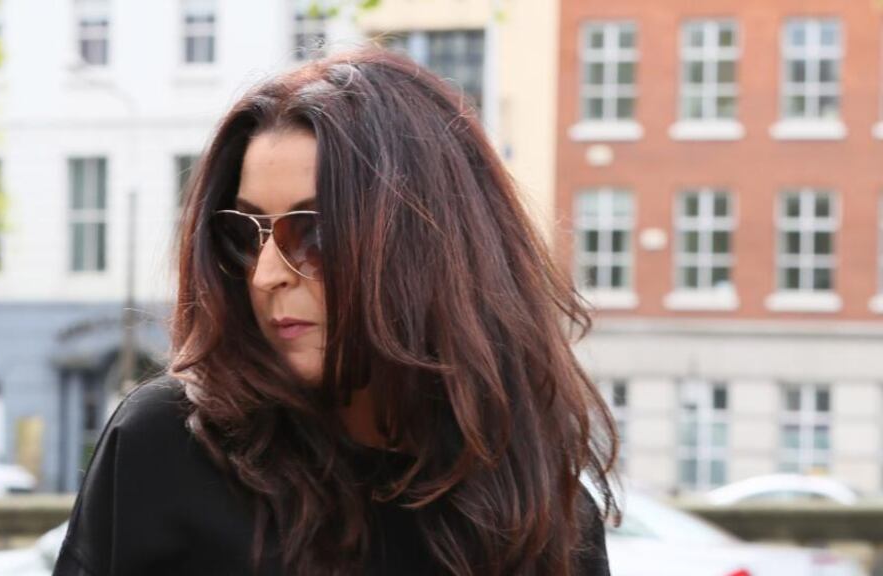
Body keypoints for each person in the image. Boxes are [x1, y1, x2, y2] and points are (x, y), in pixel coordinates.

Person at [53, 47, 620, 576]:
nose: (266, 274)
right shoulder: (169, 448)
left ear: (428, 246)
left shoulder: (545, 518)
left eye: (313, 232)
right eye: (245, 234)